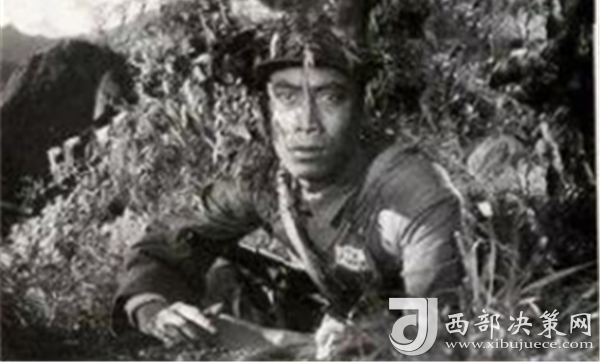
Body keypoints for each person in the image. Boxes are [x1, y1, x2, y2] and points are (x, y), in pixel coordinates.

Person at [112, 22, 464, 355]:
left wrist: (354, 342)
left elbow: (437, 334)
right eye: (286, 96)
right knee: (223, 276)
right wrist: (154, 311)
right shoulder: (265, 176)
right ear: (266, 110)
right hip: (337, 312)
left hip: (414, 322)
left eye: (330, 97)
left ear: (361, 109)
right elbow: (165, 243)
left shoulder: (413, 192)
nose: (306, 123)